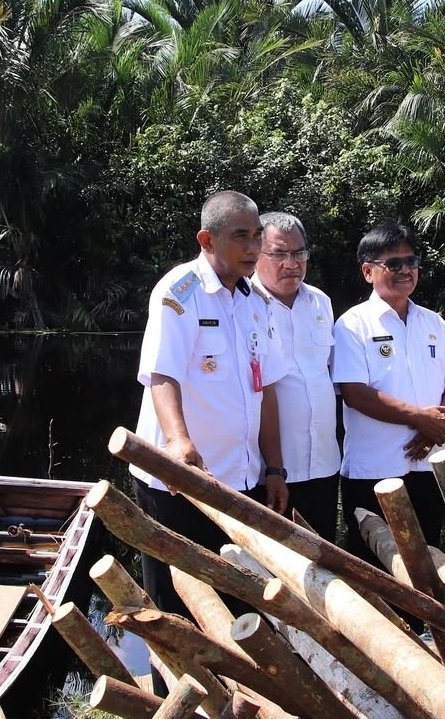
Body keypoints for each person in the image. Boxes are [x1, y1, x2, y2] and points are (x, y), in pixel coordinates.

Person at [132, 190, 288, 620]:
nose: (253, 247)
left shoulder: (257, 302)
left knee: (240, 600)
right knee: (178, 605)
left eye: (257, 235)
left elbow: (265, 388)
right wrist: (178, 442)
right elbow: (162, 374)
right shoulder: (180, 292)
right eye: (240, 236)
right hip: (180, 482)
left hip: (240, 481)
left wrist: (275, 468)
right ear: (206, 240)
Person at [333, 219, 445, 564]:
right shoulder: (352, 324)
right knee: (375, 568)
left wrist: (437, 427)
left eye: (412, 261)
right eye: (394, 263)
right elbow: (355, 392)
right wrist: (420, 418)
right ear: (368, 271)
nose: (406, 270)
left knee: (429, 564)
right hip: (374, 469)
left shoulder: (433, 322)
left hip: (428, 466)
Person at [251, 211, 342, 541]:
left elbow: (327, 373)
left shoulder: (320, 302)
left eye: (299, 253)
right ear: (256, 253)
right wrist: (273, 467)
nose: (291, 263)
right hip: (269, 470)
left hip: (324, 462)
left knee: (326, 554)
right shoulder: (243, 304)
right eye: (279, 254)